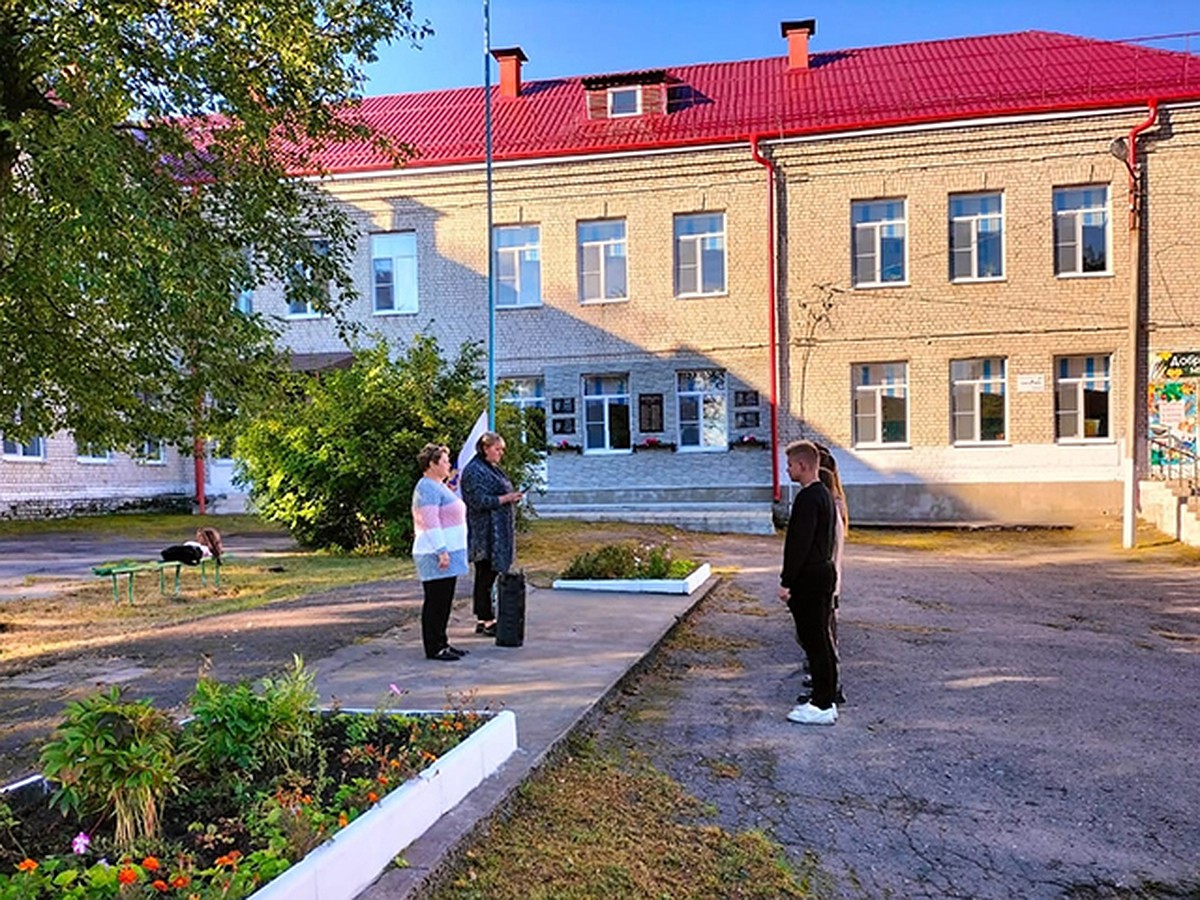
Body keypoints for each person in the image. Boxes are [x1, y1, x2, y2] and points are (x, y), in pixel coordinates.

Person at [778, 439, 840, 726]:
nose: (787, 469)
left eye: (790, 464)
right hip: (823, 574)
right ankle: (824, 696)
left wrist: (786, 581)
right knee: (821, 641)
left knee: (814, 641)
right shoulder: (825, 494)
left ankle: (822, 704)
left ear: (803, 465)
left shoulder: (807, 498)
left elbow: (798, 545)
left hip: (810, 579)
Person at [460, 431, 523, 637]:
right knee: (485, 576)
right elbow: (478, 500)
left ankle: (483, 617)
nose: (500, 453)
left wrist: (512, 497)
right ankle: (486, 620)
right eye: (497, 449)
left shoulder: (491, 469)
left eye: (502, 450)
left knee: (488, 576)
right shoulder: (474, 470)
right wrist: (506, 499)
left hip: (497, 531)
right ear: (485, 448)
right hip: (485, 533)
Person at [411, 442, 470, 661]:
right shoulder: (426, 487)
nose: (449, 465)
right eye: (445, 461)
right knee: (436, 600)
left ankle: (442, 642)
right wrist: (441, 550)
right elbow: (430, 521)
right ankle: (434, 646)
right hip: (435, 554)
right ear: (432, 464)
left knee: (445, 600)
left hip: (449, 553)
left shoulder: (440, 486)